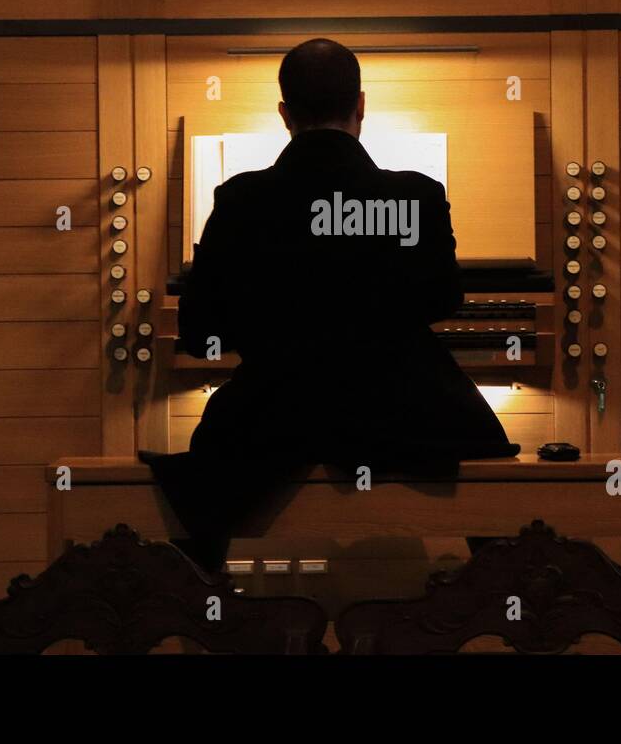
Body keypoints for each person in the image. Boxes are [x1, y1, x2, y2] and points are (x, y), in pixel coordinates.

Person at [143, 38, 519, 571]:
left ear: (284, 114)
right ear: (360, 105)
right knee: (504, 491)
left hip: (272, 420)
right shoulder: (416, 196)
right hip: (408, 416)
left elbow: (204, 327)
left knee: (194, 501)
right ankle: (500, 610)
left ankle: (210, 616)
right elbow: (443, 297)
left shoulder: (240, 200)